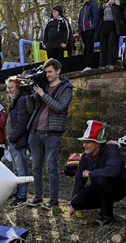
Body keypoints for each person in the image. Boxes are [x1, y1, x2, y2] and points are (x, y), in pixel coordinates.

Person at [26, 58, 74, 209]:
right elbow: (31, 109)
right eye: (45, 72)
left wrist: (42, 94)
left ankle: (53, 201)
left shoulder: (66, 88)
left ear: (58, 71)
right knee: (36, 167)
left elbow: (59, 107)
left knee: (52, 168)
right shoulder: (43, 86)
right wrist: (31, 93)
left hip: (52, 134)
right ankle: (38, 197)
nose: (47, 75)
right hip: (35, 132)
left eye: (50, 72)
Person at [68, 120, 126, 226]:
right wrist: (72, 204)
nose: (84, 145)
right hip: (98, 187)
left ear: (96, 143)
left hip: (117, 188)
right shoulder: (85, 157)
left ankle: (107, 216)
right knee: (76, 202)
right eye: (83, 142)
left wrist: (90, 173)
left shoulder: (111, 150)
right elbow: (79, 179)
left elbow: (112, 171)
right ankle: (103, 204)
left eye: (87, 142)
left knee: (102, 179)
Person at [5, 77, 32, 207]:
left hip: (18, 140)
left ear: (17, 87)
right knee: (16, 170)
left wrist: (12, 137)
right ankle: (18, 193)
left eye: (10, 87)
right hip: (14, 140)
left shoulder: (21, 100)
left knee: (21, 170)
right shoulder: (16, 100)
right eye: (7, 87)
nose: (8, 90)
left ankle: (22, 196)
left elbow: (22, 123)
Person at [94, 0, 126, 69]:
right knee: (103, 45)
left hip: (114, 25)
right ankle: (102, 64)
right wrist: (106, 5)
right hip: (104, 25)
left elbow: (125, 6)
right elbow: (99, 11)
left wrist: (115, 2)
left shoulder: (118, 2)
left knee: (112, 43)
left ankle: (111, 63)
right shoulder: (104, 2)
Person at [78, 0, 100, 71]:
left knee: (89, 48)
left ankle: (89, 65)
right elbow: (80, 20)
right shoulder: (82, 8)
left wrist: (93, 27)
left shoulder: (93, 5)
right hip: (83, 31)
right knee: (86, 48)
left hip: (90, 30)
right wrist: (80, 30)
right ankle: (86, 64)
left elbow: (96, 16)